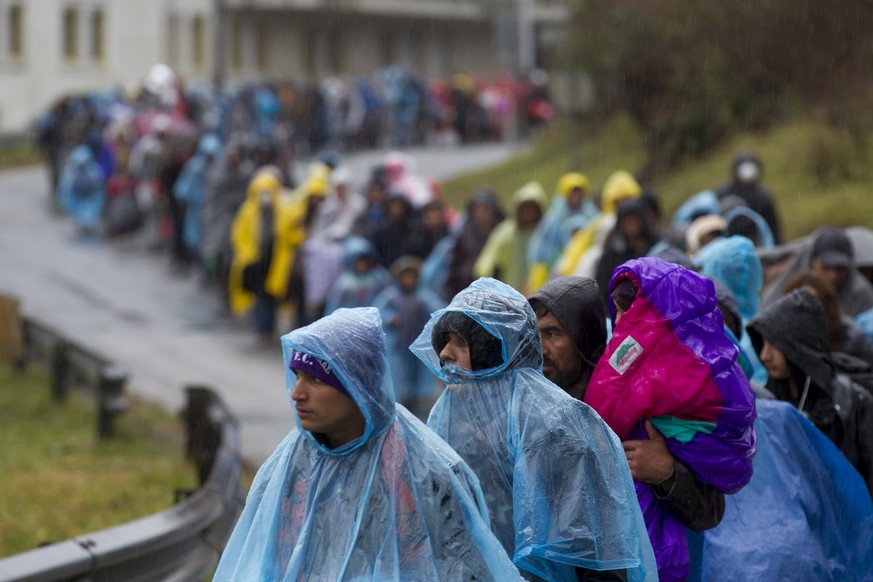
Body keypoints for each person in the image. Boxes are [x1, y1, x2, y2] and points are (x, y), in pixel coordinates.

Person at [213, 307, 523, 581]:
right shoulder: (287, 467)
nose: (296, 393)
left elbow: (468, 569)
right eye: (296, 376)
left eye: (316, 379)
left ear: (358, 383)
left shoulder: (429, 472)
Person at [411, 277, 657, 582]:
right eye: (444, 341)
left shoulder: (558, 421)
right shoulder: (446, 416)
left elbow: (595, 552)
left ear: (495, 350)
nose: (446, 354)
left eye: (461, 341)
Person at [584, 257, 757, 581]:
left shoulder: (685, 398)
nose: (622, 322)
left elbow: (710, 509)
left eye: (631, 311)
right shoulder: (605, 375)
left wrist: (667, 474)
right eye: (617, 311)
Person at [747, 289, 873, 491]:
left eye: (774, 344)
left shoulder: (851, 403)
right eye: (762, 343)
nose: (764, 355)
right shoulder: (768, 402)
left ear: (797, 345)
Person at [373, 256, 445, 416]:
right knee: (399, 376)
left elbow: (437, 309)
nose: (408, 280)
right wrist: (390, 318)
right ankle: (400, 406)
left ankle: (413, 402)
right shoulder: (391, 296)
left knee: (416, 377)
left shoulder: (422, 296)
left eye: (411, 276)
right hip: (398, 345)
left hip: (416, 344)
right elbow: (378, 311)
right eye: (404, 276)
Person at [761, 226, 873, 318]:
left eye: (839, 268)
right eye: (826, 267)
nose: (833, 275)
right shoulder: (789, 291)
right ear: (813, 262)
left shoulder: (860, 295)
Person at [526, 276, 607, 400]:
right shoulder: (525, 405)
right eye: (534, 334)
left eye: (552, 334)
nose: (540, 349)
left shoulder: (613, 413)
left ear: (586, 340)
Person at [527, 172, 599, 292]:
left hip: (586, 272)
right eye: (572, 192)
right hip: (557, 275)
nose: (576, 196)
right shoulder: (553, 220)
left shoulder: (592, 216)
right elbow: (541, 254)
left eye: (579, 192)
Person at [473, 181, 547, 294]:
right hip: (507, 292)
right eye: (525, 208)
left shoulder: (544, 231)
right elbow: (491, 262)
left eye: (532, 209)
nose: (528, 213)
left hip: (539, 290)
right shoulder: (506, 232)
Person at [716, 152, 781, 244]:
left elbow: (773, 226)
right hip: (728, 239)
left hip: (758, 243)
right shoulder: (724, 193)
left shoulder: (763, 196)